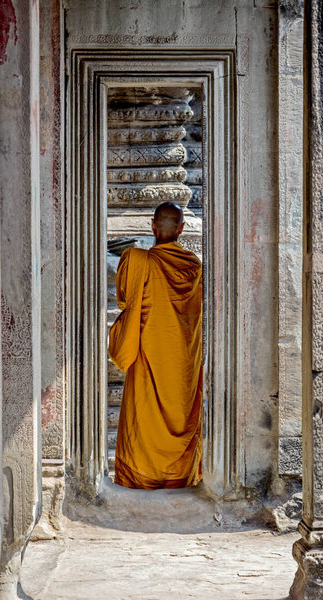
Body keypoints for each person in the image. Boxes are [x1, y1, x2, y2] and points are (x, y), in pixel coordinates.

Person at [109, 201, 202, 489]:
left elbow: (124, 300)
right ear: (182, 230)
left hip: (149, 356)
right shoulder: (194, 267)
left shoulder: (136, 261)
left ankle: (141, 477)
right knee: (185, 415)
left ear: (152, 225)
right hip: (183, 363)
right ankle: (179, 476)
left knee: (143, 417)